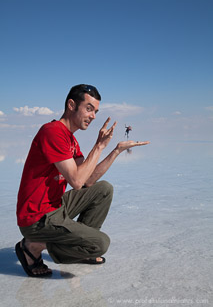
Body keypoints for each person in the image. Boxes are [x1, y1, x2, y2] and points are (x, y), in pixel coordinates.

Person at [15, 84, 150, 277]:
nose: (93, 116)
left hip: (56, 208)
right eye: (89, 109)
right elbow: (77, 182)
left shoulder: (71, 140)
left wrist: (115, 150)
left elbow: (88, 180)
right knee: (100, 244)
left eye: (95, 111)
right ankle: (33, 246)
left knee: (103, 189)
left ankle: (77, 247)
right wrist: (98, 146)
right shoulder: (52, 131)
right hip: (36, 218)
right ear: (71, 105)